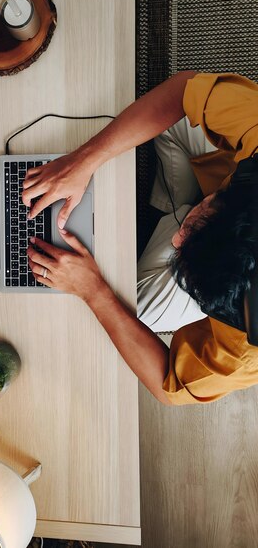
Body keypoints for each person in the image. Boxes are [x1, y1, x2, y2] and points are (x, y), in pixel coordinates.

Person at [22, 71, 258, 406]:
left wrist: (94, 291)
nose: (177, 241)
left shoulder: (246, 352)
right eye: (193, 224)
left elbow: (167, 385)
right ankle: (170, 206)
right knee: (175, 117)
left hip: (224, 251)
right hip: (226, 166)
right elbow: (184, 89)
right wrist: (83, 160)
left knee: (135, 311)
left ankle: (170, 207)